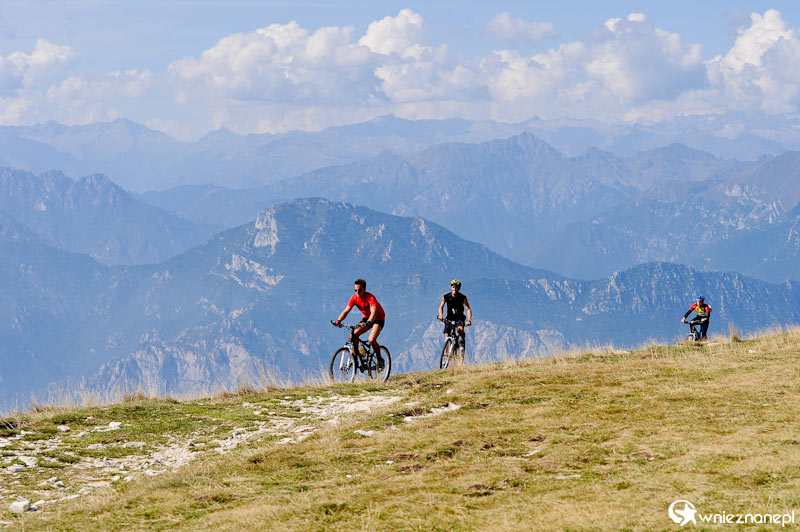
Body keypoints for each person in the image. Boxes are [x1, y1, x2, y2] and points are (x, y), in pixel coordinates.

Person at [334, 278, 386, 370]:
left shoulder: (370, 297)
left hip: (378, 319)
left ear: (364, 289)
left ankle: (380, 359)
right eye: (355, 290)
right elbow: (346, 311)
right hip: (367, 318)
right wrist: (338, 320)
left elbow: (374, 312)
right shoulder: (354, 298)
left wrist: (369, 322)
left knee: (371, 339)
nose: (357, 292)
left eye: (359, 290)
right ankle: (357, 358)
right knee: (353, 335)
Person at [437, 279, 472, 349]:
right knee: (446, 336)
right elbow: (441, 307)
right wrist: (441, 315)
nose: (454, 288)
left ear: (459, 288)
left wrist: (469, 320)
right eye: (453, 287)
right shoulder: (446, 297)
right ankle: (447, 356)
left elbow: (468, 309)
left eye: (456, 287)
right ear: (451, 287)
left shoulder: (463, 297)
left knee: (460, 330)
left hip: (459, 317)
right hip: (449, 317)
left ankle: (462, 344)